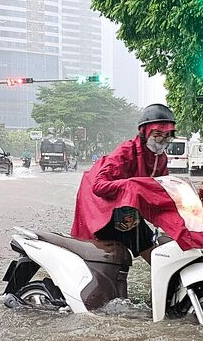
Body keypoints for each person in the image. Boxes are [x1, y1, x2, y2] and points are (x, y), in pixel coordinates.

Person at [71, 104, 175, 263]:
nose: (163, 140)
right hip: (99, 204)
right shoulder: (126, 151)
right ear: (144, 133)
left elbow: (163, 187)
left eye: (168, 135)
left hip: (126, 207)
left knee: (149, 245)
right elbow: (98, 185)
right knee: (128, 247)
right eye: (157, 134)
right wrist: (130, 185)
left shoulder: (160, 158)